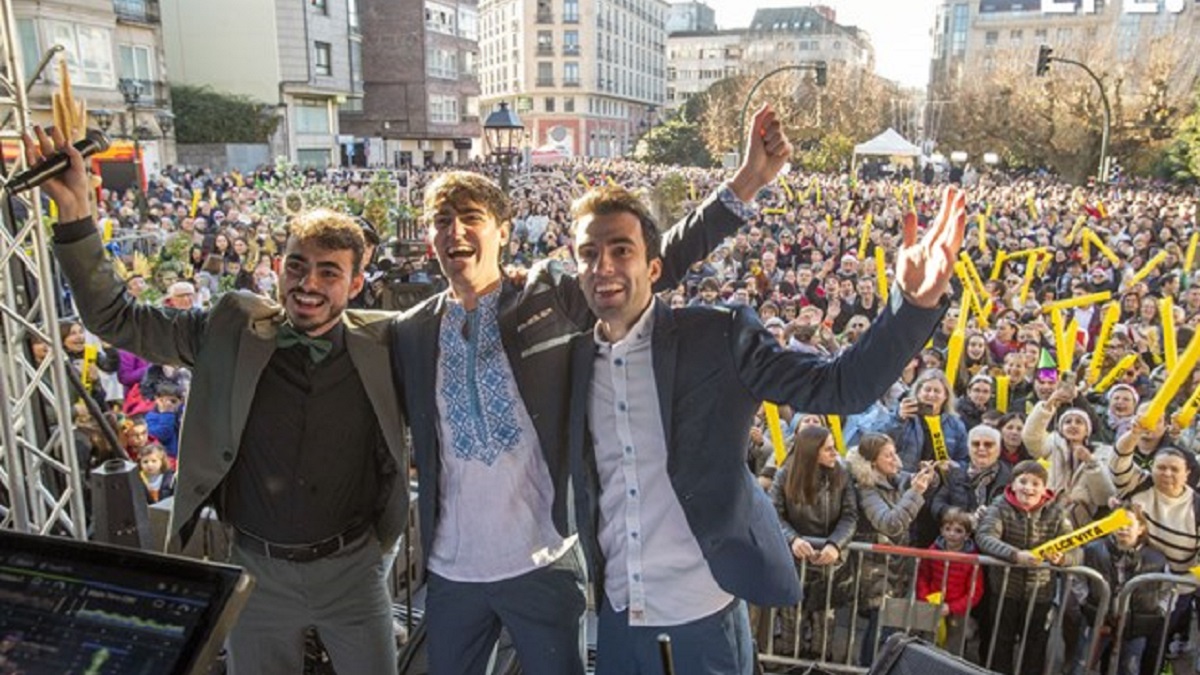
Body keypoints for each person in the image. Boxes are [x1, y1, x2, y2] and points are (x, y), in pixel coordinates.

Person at [388, 105, 793, 675]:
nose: (455, 230)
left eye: (471, 217)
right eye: (442, 220)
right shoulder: (410, 330)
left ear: (503, 232)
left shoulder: (549, 298)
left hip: (542, 563)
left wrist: (748, 180)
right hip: (452, 571)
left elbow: (662, 257)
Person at [31, 126, 408, 674]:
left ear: (355, 285)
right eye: (297, 265)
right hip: (257, 571)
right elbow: (115, 317)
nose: (308, 282)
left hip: (352, 573)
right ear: (279, 267)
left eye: (329, 272)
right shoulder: (232, 327)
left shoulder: (388, 342)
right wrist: (75, 215)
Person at [566, 176, 967, 673]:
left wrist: (912, 306)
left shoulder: (718, 336)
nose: (602, 266)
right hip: (619, 612)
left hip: (703, 610)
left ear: (654, 266)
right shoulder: (570, 356)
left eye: (619, 249)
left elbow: (841, 386)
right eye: (588, 253)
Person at [976, 460, 1079, 675]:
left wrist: (1062, 559)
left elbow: (1076, 551)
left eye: (1035, 483)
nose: (1028, 488)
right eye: (1023, 481)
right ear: (1013, 484)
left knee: (1035, 646)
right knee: (1000, 644)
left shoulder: (1058, 513)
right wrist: (1015, 555)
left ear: (1044, 488)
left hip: (1040, 594)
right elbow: (985, 537)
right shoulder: (999, 506)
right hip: (1004, 590)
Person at [847, 433, 935, 664]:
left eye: (894, 452)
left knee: (887, 627)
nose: (894, 459)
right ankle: (869, 668)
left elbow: (912, 481)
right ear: (873, 461)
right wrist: (915, 492)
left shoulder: (892, 478)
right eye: (888, 455)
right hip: (875, 569)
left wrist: (928, 476)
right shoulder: (865, 487)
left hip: (895, 567)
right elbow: (890, 523)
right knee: (880, 629)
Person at [771, 426, 858, 659]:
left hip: (829, 567)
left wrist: (835, 544)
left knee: (823, 634)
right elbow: (773, 515)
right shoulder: (785, 474)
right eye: (829, 449)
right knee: (791, 630)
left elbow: (850, 516)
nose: (835, 453)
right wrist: (793, 539)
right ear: (811, 452)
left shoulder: (842, 474)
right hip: (794, 564)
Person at [915, 507, 985, 654]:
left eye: (958, 531)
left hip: (957, 611)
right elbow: (922, 577)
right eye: (948, 529)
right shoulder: (932, 551)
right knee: (928, 644)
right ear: (941, 530)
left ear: (967, 535)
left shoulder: (972, 558)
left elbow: (975, 591)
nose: (952, 534)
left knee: (953, 648)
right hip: (932, 606)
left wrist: (952, 607)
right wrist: (927, 600)